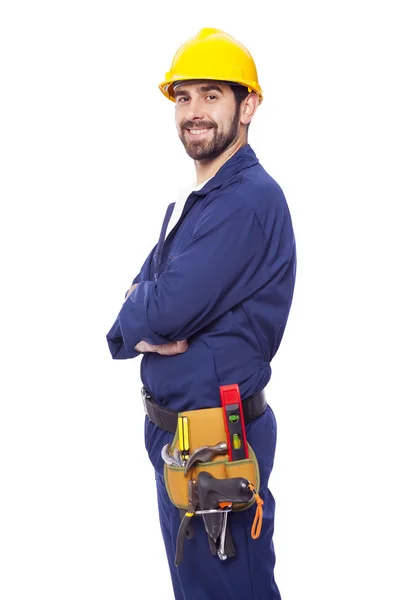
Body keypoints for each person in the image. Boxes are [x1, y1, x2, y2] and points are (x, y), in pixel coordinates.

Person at [106, 27, 296, 600]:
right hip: (183, 442)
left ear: (249, 106)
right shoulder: (200, 203)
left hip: (217, 442)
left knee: (228, 592)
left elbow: (156, 311)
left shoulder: (247, 202)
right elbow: (130, 317)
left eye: (212, 95)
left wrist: (147, 315)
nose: (194, 112)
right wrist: (141, 317)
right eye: (183, 97)